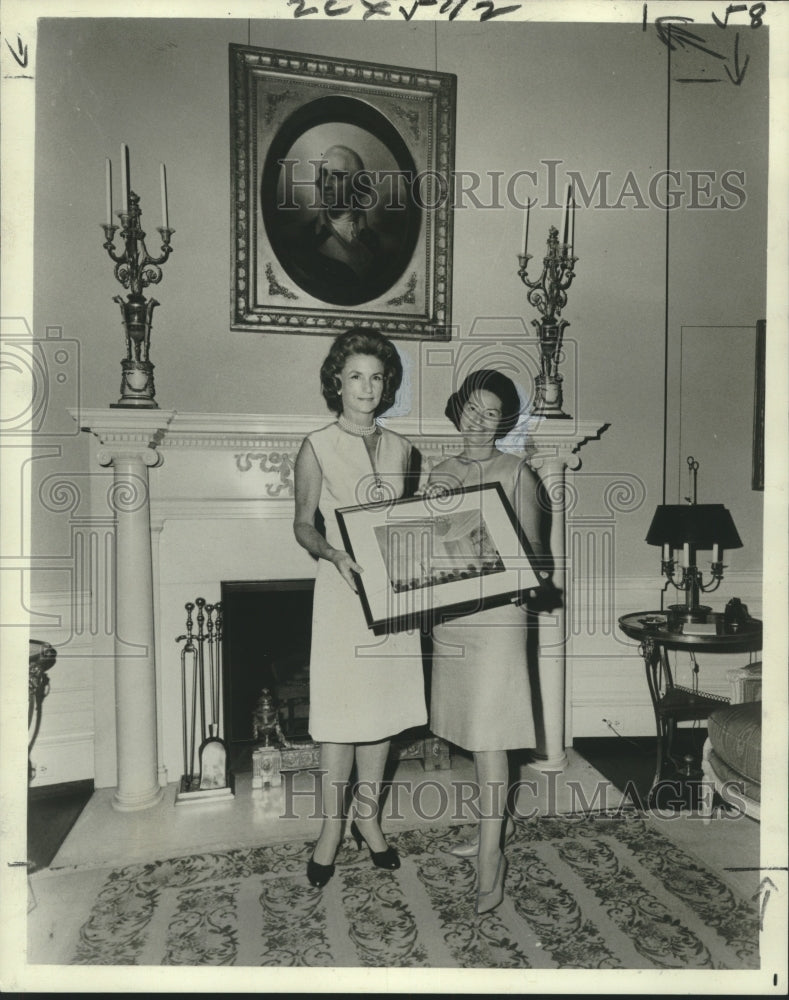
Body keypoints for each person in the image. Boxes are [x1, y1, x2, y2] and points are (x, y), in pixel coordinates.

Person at [293, 327, 427, 888]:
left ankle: (367, 820)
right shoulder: (317, 444)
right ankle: (331, 828)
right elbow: (303, 525)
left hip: (391, 597)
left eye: (376, 377)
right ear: (337, 383)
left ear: (386, 384)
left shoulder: (402, 449)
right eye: (355, 377)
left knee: (384, 711)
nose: (366, 387)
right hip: (341, 593)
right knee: (340, 715)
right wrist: (333, 554)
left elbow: (405, 527)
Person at [426, 369, 557, 916]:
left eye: (493, 412)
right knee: (469, 733)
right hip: (453, 616)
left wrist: (527, 585)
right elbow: (423, 545)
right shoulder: (437, 471)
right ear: (458, 410)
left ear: (504, 421)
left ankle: (491, 857)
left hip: (499, 618)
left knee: (493, 736)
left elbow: (533, 555)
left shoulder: (517, 471)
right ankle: (484, 837)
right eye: (472, 409)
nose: (481, 421)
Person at [281, 145, 396, 307]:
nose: (327, 184)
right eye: (324, 175)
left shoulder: (381, 244)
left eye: (337, 176)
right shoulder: (299, 238)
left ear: (357, 185)